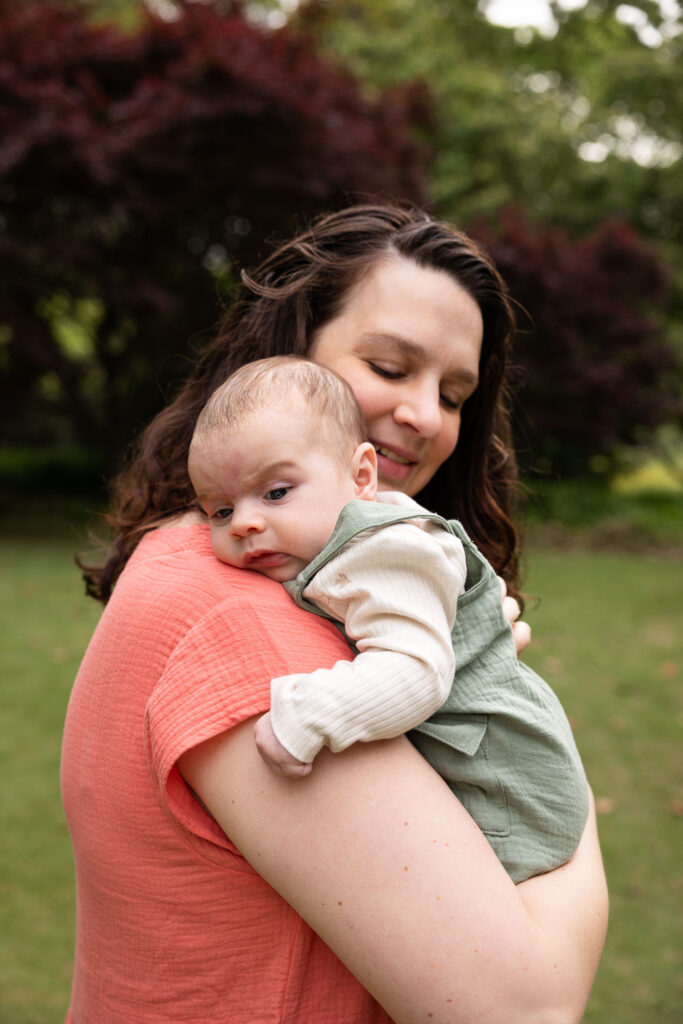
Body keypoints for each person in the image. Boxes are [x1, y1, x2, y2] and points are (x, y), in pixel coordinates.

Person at [64, 203, 607, 1023]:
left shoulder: (242, 569)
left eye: (453, 393)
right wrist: (519, 719)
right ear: (286, 359)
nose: (425, 415)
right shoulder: (246, 623)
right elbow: (522, 1006)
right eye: (390, 367)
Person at [187, 355, 589, 884]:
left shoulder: (378, 549)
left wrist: (305, 717)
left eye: (277, 492)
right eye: (219, 510)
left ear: (360, 477)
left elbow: (415, 672)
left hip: (505, 795)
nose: (244, 523)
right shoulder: (324, 543)